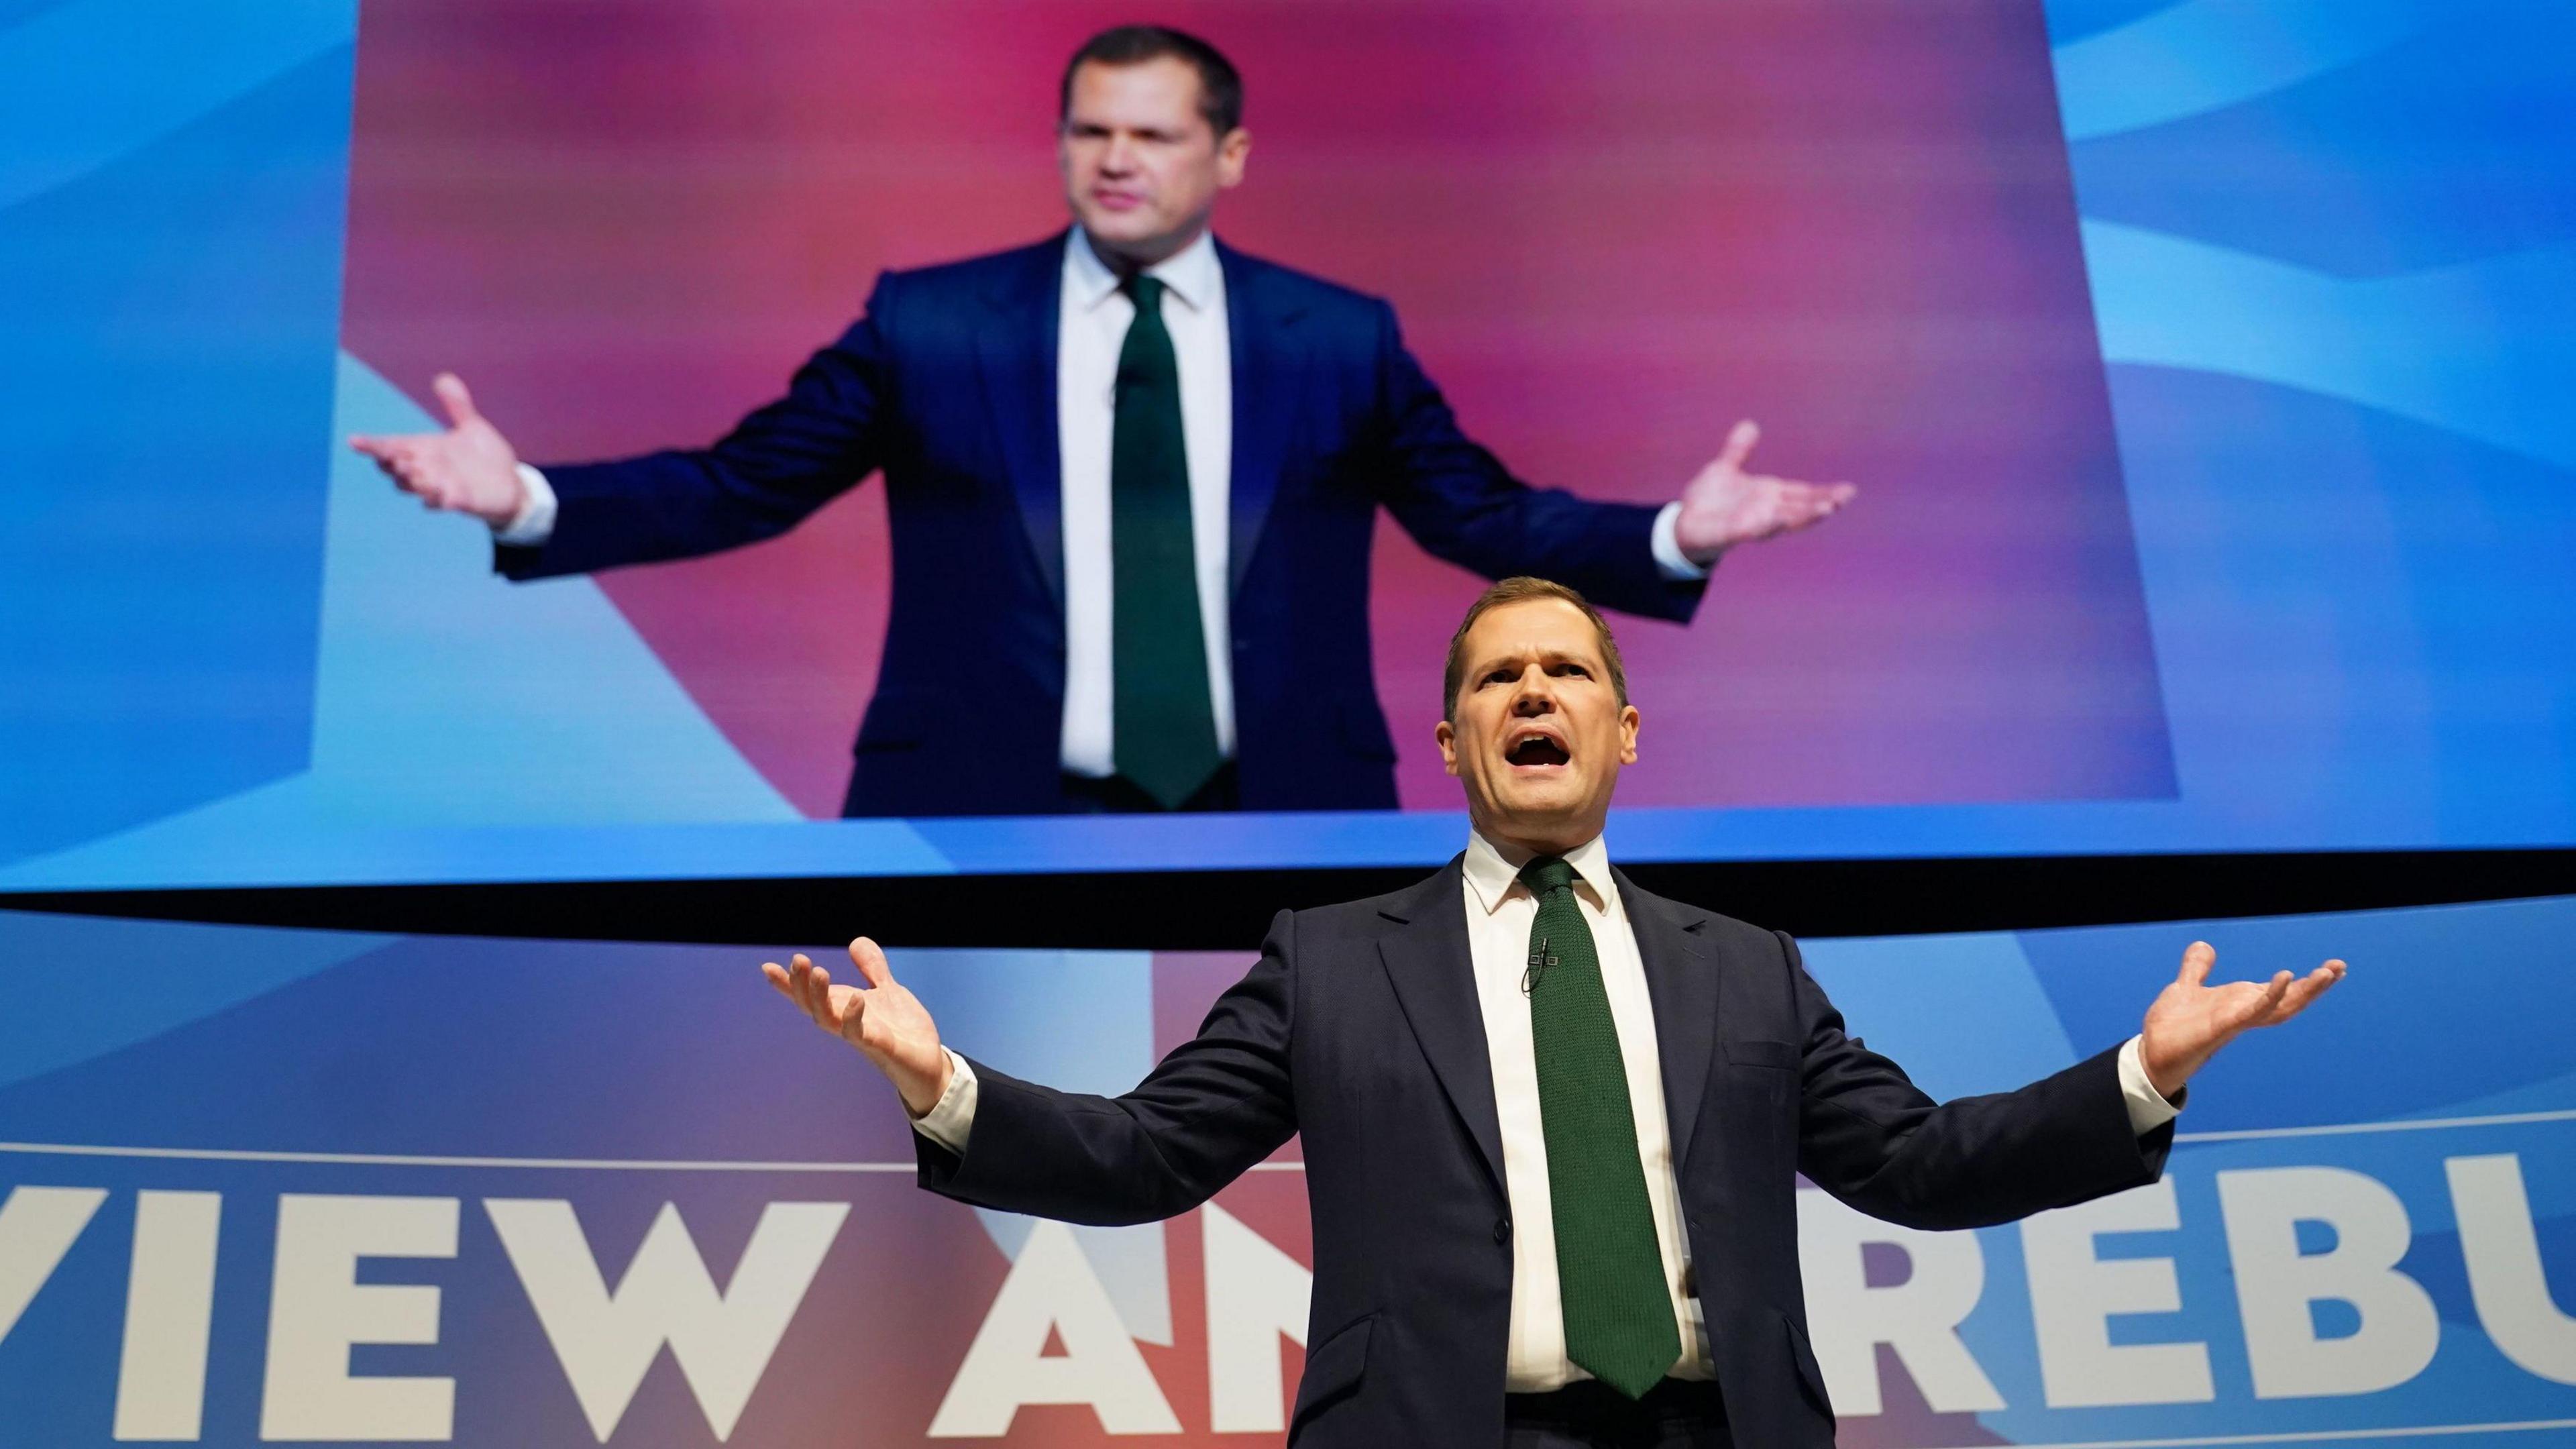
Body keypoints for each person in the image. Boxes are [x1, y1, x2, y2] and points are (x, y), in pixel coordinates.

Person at [760, 576, 2347, 1447]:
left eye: (1567, 673)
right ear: (1450, 744)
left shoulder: (1747, 962)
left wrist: (2139, 1073)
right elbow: (1148, 1154)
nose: (1532, 696)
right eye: (1497, 680)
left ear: (1625, 731)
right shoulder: (1331, 956)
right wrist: (944, 1082)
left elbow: (1922, 1166)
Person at [350, 25, 1856, 818]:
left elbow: (1478, 516)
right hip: (979, 814)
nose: (1113, 161)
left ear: (1231, 153)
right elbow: (744, 485)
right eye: (1089, 131)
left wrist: (1670, 533)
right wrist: (526, 497)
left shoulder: (1336, 338)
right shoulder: (929, 322)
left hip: (1281, 814)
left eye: (1151, 135)